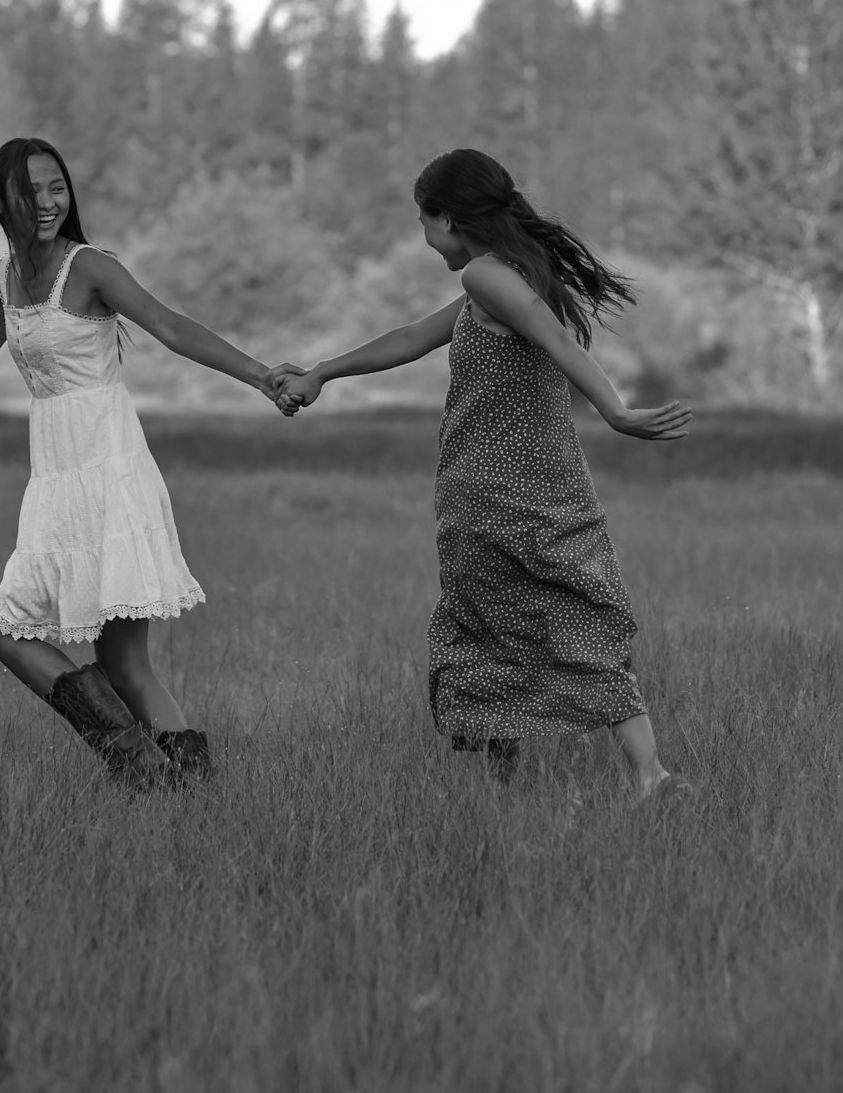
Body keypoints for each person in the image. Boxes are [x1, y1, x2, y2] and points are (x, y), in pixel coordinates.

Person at [0, 137, 294, 788]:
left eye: (56, 188)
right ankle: (152, 771)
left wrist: (262, 377)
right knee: (35, 641)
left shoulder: (88, 266)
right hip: (56, 481)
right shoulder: (4, 278)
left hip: (110, 470)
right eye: (29, 191)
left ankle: (157, 776)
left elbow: (171, 326)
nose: (46, 202)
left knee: (111, 661)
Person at [274, 148, 692, 801]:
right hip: (548, 487)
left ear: (447, 217)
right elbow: (410, 337)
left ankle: (556, 783)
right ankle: (639, 775)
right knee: (577, 619)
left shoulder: (486, 277)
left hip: (493, 494)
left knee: (491, 631)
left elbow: (557, 342)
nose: (423, 234)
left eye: (423, 220)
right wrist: (322, 371)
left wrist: (615, 412)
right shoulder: (511, 274)